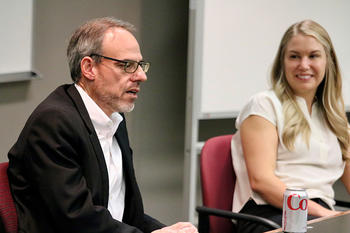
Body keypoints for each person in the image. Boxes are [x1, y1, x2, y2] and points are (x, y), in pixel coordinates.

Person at [7, 17, 197, 233]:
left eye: (140, 65)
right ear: (89, 68)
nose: (141, 76)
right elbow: (76, 219)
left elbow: (125, 211)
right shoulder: (54, 123)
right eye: (127, 65)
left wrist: (164, 230)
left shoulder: (114, 117)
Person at [231, 19, 350, 233]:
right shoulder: (264, 104)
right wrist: (327, 216)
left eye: (313, 56)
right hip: (268, 214)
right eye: (294, 56)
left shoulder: (334, 116)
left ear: (328, 61)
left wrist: (327, 216)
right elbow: (262, 182)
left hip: (319, 214)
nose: (303, 65)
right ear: (283, 62)